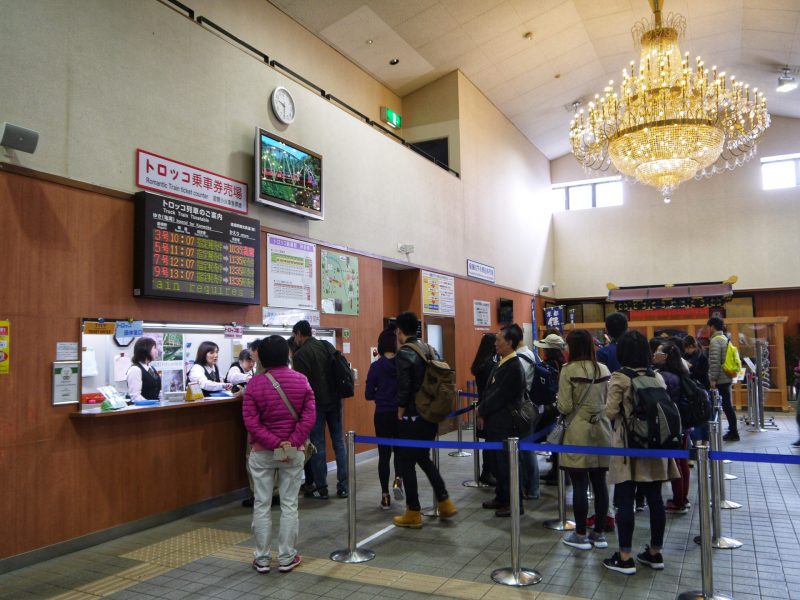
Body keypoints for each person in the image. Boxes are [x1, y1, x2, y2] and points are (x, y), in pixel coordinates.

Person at [603, 330, 680, 575]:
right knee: (655, 499)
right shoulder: (655, 376)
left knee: (625, 499)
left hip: (629, 446)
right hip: (656, 447)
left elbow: (611, 412)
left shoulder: (620, 377)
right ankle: (655, 553)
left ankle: (625, 557)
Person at [243, 335, 315, 575]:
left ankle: (262, 559)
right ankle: (286, 557)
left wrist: (273, 443)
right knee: (289, 504)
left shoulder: (254, 384)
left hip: (262, 453)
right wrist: (290, 443)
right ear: (287, 354)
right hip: (292, 453)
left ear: (261, 356)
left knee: (261, 504)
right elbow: (309, 417)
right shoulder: (302, 380)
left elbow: (251, 423)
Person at [393, 311, 457, 528]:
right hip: (431, 414)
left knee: (406, 462)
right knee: (423, 457)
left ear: (399, 331)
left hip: (413, 415)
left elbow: (404, 386)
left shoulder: (404, 354)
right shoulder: (430, 349)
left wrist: (401, 410)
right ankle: (444, 500)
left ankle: (413, 511)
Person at [557, 329, 612, 550]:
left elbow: (565, 406)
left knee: (580, 483)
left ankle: (580, 535)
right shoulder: (604, 369)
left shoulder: (568, 370)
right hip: (602, 429)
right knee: (600, 483)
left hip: (578, 430)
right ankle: (599, 533)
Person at [292, 320, 348, 499]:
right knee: (339, 442)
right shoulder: (326, 345)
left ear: (300, 333)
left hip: (315, 404)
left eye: (295, 336)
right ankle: (344, 486)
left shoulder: (300, 355)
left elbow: (301, 386)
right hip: (335, 400)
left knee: (318, 444)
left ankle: (322, 488)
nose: (295, 339)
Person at [478, 325, 527, 517]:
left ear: (509, 343)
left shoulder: (514, 366)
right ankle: (501, 496)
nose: (495, 343)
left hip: (506, 423)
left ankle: (514, 503)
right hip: (496, 421)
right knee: (498, 463)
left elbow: (500, 395)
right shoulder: (502, 362)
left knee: (507, 464)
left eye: (499, 339)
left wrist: (482, 409)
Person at [365, 328, 403, 509]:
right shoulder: (402, 365)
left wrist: (380, 395)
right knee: (400, 452)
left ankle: (385, 496)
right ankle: (397, 482)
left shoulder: (375, 367)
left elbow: (367, 394)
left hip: (381, 414)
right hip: (400, 414)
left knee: (384, 456)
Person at [654, 341, 691, 514]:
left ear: (666, 356)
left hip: (673, 425)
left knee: (676, 463)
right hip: (684, 423)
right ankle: (682, 497)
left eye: (658, 353)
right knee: (682, 461)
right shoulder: (682, 371)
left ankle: (678, 500)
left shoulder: (665, 377)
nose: (655, 355)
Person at [509, 324, 540, 500]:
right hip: (532, 407)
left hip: (522, 409)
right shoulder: (532, 354)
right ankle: (531, 486)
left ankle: (532, 487)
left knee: (525, 450)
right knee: (527, 448)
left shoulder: (519, 358)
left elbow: (515, 386)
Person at [534, 333, 566, 486]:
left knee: (553, 438)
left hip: (550, 407)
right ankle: (557, 470)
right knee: (557, 439)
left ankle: (557, 473)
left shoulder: (548, 365)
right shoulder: (563, 362)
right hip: (560, 405)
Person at [470, 333, 498, 486]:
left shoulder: (481, 363)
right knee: (491, 441)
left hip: (483, 404)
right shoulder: (489, 366)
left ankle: (487, 471)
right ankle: (487, 472)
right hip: (488, 407)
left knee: (490, 441)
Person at [707, 317, 739, 441]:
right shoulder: (725, 338)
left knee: (726, 406)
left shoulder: (715, 341)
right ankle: (732, 430)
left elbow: (714, 362)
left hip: (721, 379)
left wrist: (712, 379)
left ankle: (733, 432)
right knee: (727, 405)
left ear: (712, 327)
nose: (708, 329)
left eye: (708, 327)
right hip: (727, 376)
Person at [126, 337, 161, 401]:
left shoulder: (150, 368)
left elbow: (155, 387)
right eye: (154, 348)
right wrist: (151, 404)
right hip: (145, 409)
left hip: (155, 408)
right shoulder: (135, 370)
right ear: (146, 350)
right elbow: (135, 397)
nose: (157, 351)